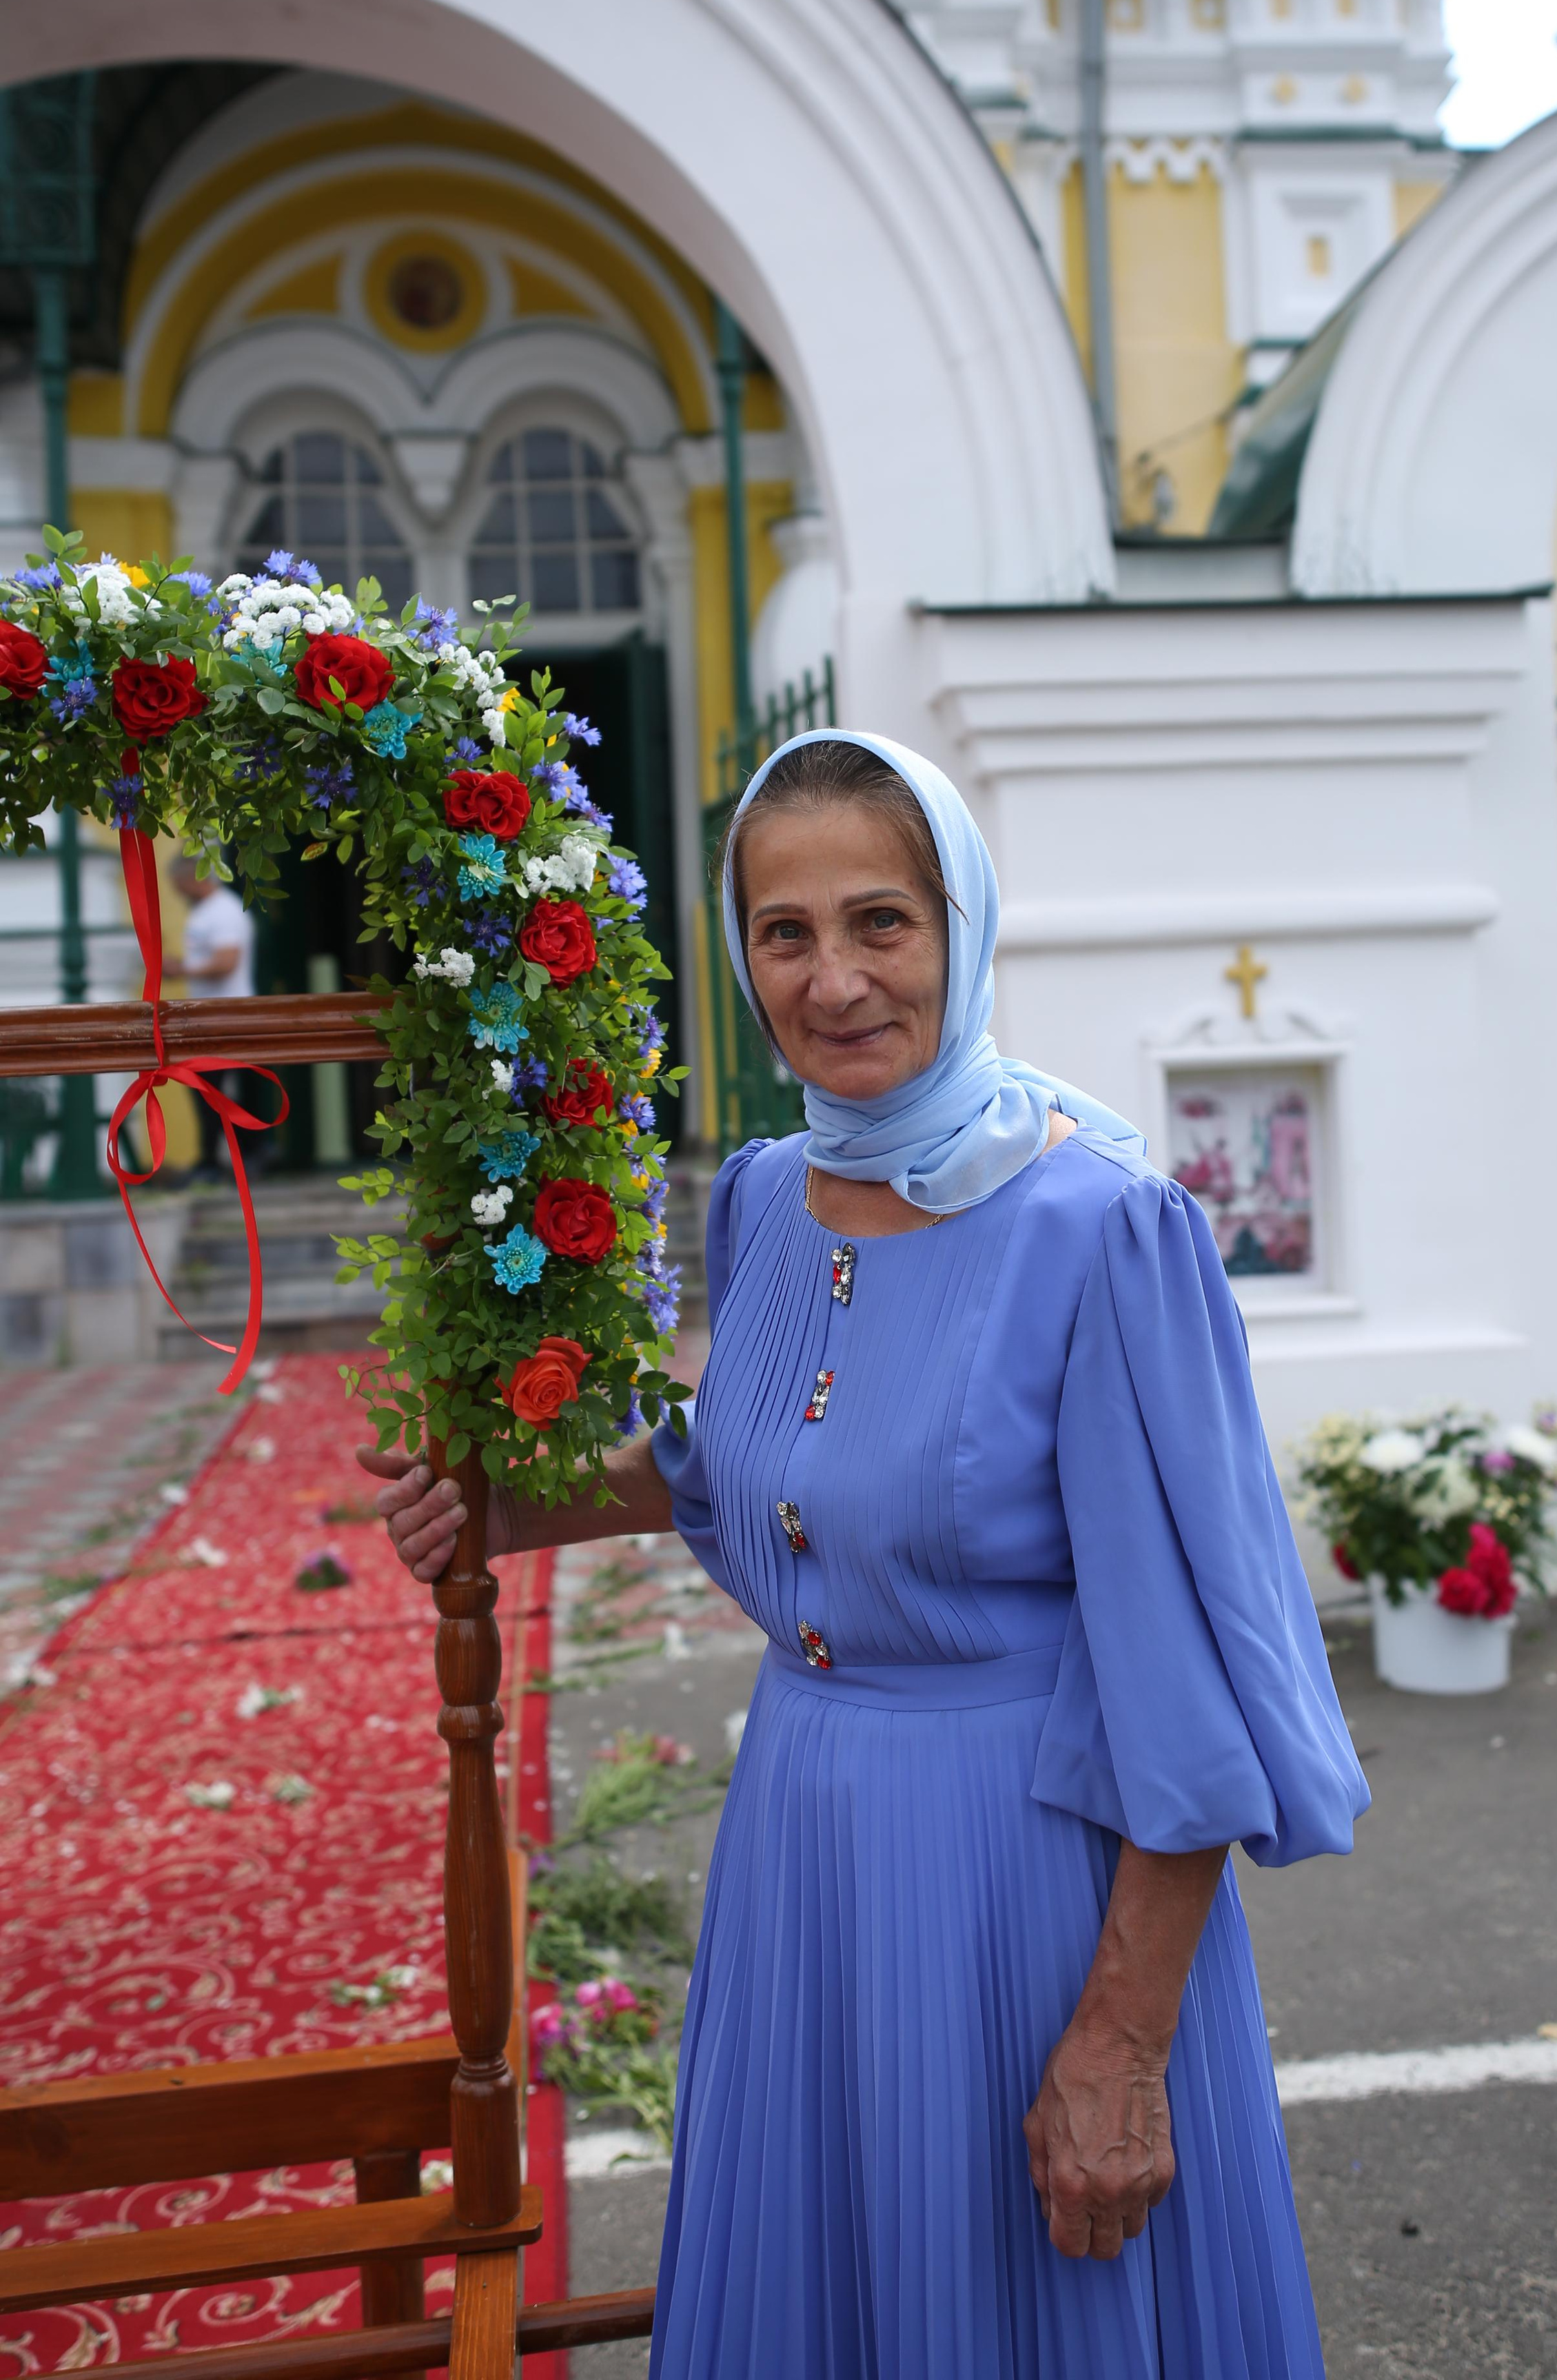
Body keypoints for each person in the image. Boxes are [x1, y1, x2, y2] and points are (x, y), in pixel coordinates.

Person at [365, 732, 1368, 2379]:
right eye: (782, 930)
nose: (830, 978)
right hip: (805, 1858)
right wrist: (501, 1495)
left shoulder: (1101, 1227)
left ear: (961, 922)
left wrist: (1121, 2039)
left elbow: (1182, 1676)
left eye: (878, 920)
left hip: (1025, 1878)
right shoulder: (768, 1197)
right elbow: (752, 1476)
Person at [164, 854, 261, 1179]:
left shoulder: (223, 912)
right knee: (210, 1089)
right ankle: (236, 1155)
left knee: (209, 1088)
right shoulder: (211, 911)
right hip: (214, 1014)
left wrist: (182, 969)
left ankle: (229, 1157)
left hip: (227, 1015)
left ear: (193, 878)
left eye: (178, 885)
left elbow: (226, 962)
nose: (178, 893)